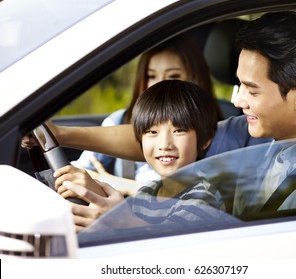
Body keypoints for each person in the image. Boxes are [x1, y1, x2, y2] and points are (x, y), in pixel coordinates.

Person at [22, 11, 296, 218]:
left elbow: (258, 254)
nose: (239, 101)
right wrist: (60, 134)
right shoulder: (259, 130)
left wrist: (124, 222)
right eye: (239, 86)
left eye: (252, 89)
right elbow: (165, 137)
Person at [55, 80, 225, 231]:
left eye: (178, 131)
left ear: (205, 140)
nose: (165, 144)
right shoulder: (149, 191)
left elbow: (171, 248)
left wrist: (123, 220)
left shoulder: (203, 198)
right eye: (152, 132)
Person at [73, 34, 224, 189]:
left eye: (173, 76)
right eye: (151, 76)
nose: (160, 84)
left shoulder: (217, 134)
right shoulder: (120, 120)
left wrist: (123, 186)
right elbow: (82, 170)